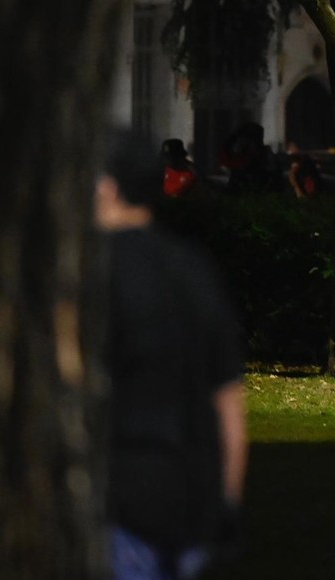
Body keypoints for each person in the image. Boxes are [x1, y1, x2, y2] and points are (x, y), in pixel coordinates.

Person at [96, 128, 248, 578]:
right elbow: (229, 403)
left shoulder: (91, 273)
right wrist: (228, 503)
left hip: (120, 504)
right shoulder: (196, 269)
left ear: (107, 187)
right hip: (192, 501)